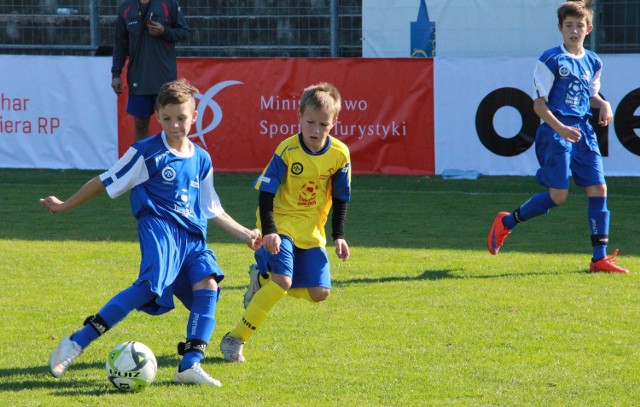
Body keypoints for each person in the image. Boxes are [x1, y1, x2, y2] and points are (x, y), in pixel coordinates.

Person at [41, 79, 262, 386]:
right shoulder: (145, 153)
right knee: (149, 287)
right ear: (158, 116)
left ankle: (189, 365)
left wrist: (246, 234)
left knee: (208, 286)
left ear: (194, 116)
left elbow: (211, 207)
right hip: (159, 228)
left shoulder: (201, 159)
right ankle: (76, 342)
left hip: (193, 238)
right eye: (168, 118)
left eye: (181, 118)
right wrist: (64, 205)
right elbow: (105, 181)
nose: (175, 125)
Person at [487, 0, 628, 273]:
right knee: (558, 196)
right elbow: (539, 105)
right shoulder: (551, 60)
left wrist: (604, 104)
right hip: (556, 132)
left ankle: (599, 258)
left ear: (589, 28)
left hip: (583, 132)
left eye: (579, 25)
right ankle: (506, 222)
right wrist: (560, 129)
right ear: (560, 29)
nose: (574, 31)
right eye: (569, 26)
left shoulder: (593, 61)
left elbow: (590, 94)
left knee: (599, 188)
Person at [218, 82, 352, 362]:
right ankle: (235, 338)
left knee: (320, 292)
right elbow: (266, 193)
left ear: (335, 122)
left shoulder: (340, 154)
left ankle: (261, 277)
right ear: (299, 117)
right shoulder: (287, 150)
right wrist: (270, 231)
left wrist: (339, 235)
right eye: (310, 122)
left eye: (323, 124)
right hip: (280, 224)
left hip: (311, 230)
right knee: (284, 280)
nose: (315, 130)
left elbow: (341, 197)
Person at [111, 0, 190, 142]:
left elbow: (184, 32)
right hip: (138, 77)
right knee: (140, 125)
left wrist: (165, 31)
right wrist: (116, 74)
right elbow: (120, 43)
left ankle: (171, 161)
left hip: (164, 77)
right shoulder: (126, 7)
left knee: (171, 124)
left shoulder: (169, 3)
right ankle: (143, 162)